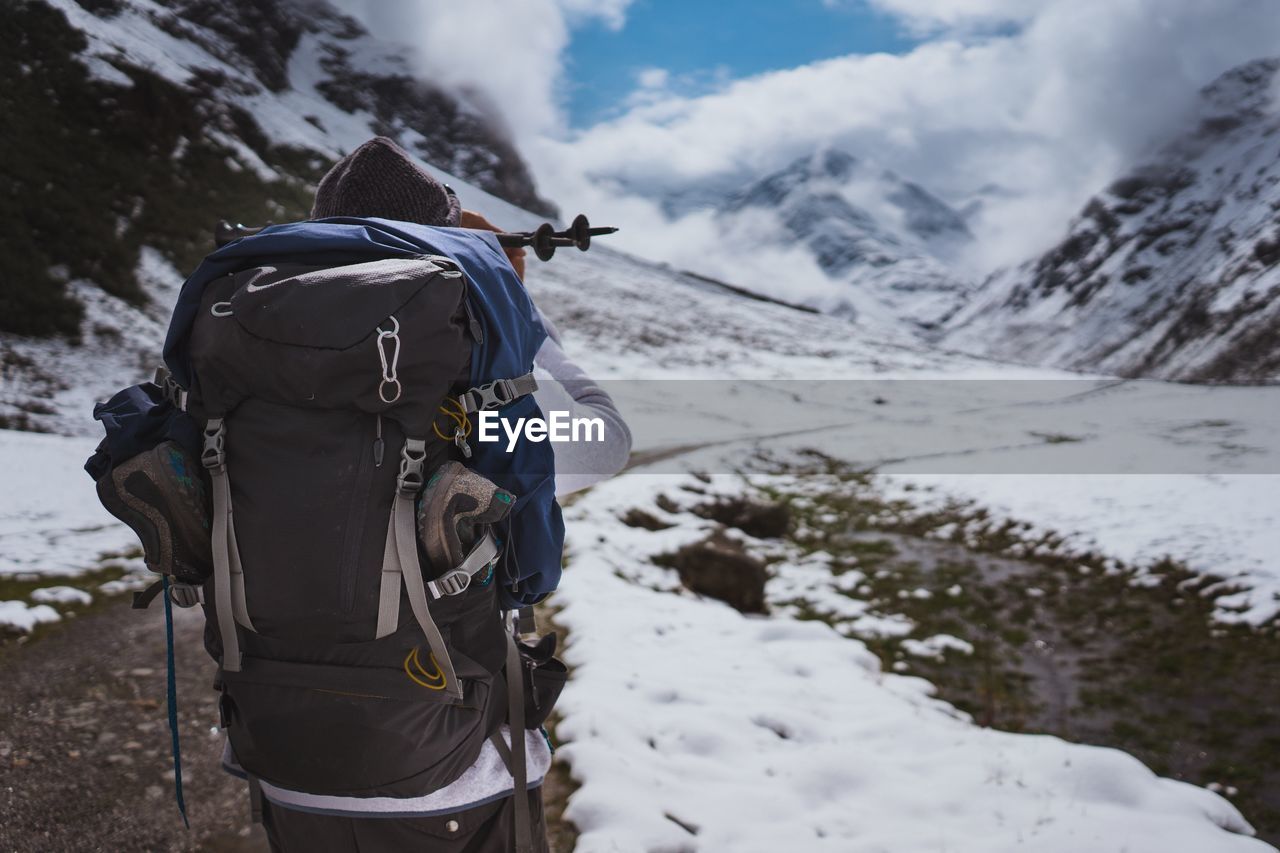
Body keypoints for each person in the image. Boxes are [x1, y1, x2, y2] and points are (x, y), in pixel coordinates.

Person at [234, 136, 632, 851]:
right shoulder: (471, 385)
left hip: (280, 752)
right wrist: (514, 313)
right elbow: (606, 436)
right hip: (454, 772)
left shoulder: (245, 357)